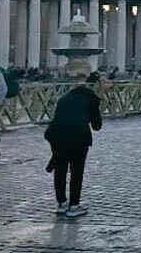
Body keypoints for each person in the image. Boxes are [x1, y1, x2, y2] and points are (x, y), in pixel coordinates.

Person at [43, 70, 103, 218]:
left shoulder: (63, 98)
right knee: (77, 171)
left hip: (56, 135)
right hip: (78, 137)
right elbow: (97, 126)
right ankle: (74, 206)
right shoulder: (91, 99)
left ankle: (61, 204)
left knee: (60, 169)